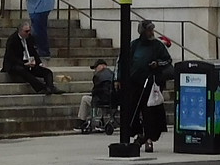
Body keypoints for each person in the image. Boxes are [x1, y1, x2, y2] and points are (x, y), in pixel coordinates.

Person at [121, 19, 174, 152]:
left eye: (152, 30)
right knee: (134, 109)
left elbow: (167, 60)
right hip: (135, 83)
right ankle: (138, 133)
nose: (151, 32)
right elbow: (123, 62)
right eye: (149, 30)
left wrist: (157, 64)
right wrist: (119, 79)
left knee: (150, 112)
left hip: (152, 83)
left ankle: (149, 138)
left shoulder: (157, 45)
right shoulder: (134, 45)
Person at [2, 21, 56, 95]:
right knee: (22, 70)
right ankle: (41, 87)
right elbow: (11, 57)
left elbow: (33, 51)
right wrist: (24, 64)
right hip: (15, 64)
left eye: (29, 30)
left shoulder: (29, 38)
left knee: (47, 72)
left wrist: (39, 63)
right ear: (20, 31)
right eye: (26, 31)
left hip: (28, 63)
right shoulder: (12, 40)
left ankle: (50, 87)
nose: (28, 33)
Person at [74, 58, 116, 132]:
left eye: (96, 68)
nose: (95, 70)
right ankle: (102, 121)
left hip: (102, 100)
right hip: (113, 100)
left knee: (85, 99)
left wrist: (92, 94)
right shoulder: (113, 74)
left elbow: (95, 91)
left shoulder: (98, 76)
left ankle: (81, 121)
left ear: (101, 66)